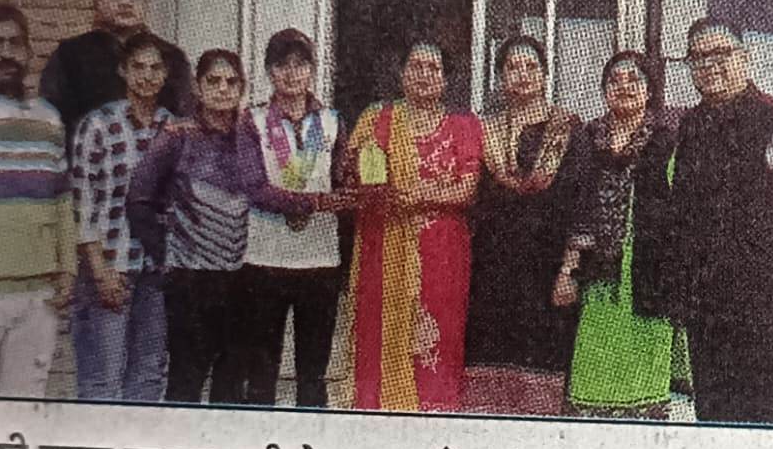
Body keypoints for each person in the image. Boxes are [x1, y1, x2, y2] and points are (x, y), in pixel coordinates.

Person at [669, 18, 773, 425]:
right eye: (698, 58)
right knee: (714, 414)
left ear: (744, 58)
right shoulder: (688, 128)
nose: (710, 65)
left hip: (769, 301)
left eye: (721, 54)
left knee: (771, 415)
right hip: (708, 302)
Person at [346, 41, 484, 411]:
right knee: (382, 326)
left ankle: (434, 411)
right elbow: (357, 179)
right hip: (386, 245)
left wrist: (415, 194)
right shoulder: (377, 121)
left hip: (442, 251)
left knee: (438, 333)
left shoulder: (463, 126)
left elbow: (466, 190)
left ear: (446, 78)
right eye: (416, 66)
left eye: (434, 68)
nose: (424, 75)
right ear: (402, 73)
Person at [552, 51, 676, 417]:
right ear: (604, 90)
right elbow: (578, 208)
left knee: (644, 389)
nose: (624, 87)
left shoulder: (667, 141)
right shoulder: (587, 138)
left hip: (648, 273)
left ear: (650, 90)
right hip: (597, 277)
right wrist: (568, 270)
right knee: (592, 374)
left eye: (634, 79)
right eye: (614, 81)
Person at [126, 48, 250, 404]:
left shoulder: (253, 134)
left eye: (231, 82)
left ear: (242, 87)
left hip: (242, 278)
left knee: (232, 383)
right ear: (197, 85)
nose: (223, 89)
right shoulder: (177, 134)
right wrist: (164, 254)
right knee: (185, 380)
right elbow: (138, 198)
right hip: (190, 279)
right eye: (213, 81)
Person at [233, 28, 349, 408]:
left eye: (300, 64)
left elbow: (341, 179)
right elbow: (253, 187)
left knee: (313, 375)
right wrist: (314, 202)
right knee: (261, 372)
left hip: (319, 260)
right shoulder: (252, 121)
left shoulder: (331, 121)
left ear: (312, 70)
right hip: (265, 259)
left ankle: (311, 440)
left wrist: (361, 181)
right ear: (269, 71)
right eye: (282, 65)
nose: (292, 73)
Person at [465, 36, 580, 415]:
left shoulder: (567, 130)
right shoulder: (485, 132)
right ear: (499, 77)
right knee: (489, 366)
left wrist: (569, 269)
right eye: (513, 67)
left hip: (547, 268)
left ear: (545, 74)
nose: (523, 74)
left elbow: (579, 205)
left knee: (543, 369)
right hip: (492, 271)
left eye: (532, 66)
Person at [0, 3, 76, 399]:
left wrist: (68, 269)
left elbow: (63, 198)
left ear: (29, 51)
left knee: (23, 404)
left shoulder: (47, 118)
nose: (6, 54)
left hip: (38, 293)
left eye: (15, 43)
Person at [68, 31, 174, 402]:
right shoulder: (98, 125)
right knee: (103, 379)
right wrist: (99, 271)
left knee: (149, 375)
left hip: (156, 272)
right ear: (123, 71)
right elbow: (83, 200)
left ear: (165, 74)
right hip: (110, 266)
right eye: (138, 67)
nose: (147, 76)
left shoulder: (172, 127)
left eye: (155, 68)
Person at [39, 0, 192, 150]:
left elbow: (184, 119)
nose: (125, 2)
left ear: (146, 3)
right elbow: (51, 118)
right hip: (88, 159)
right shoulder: (71, 54)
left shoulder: (171, 57)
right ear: (100, 1)